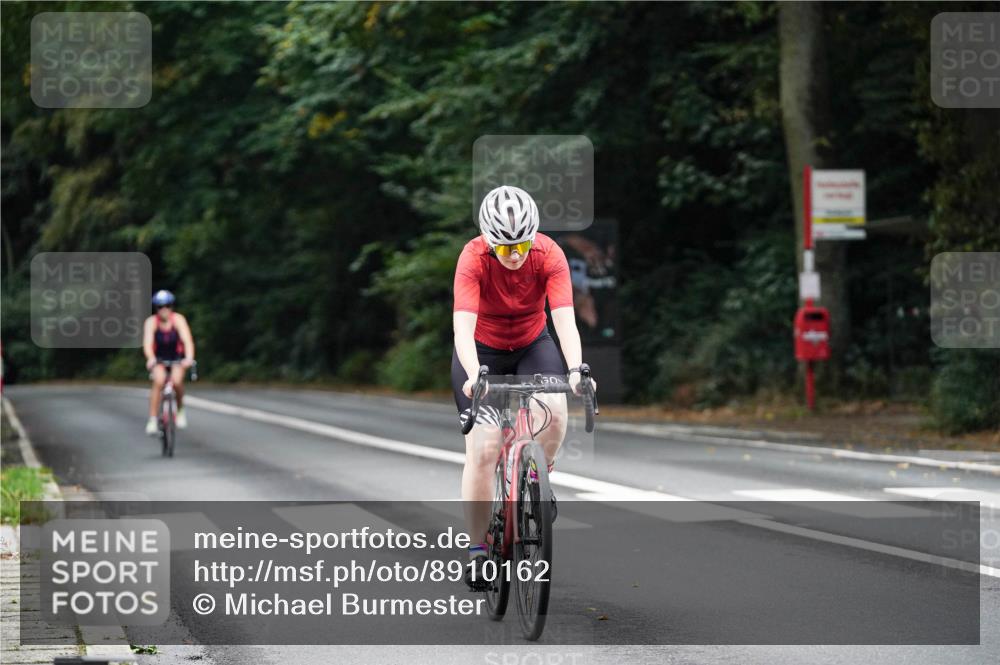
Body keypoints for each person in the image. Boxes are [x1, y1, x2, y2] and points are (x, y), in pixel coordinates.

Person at [453, 185, 595, 589]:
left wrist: (575, 369)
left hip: (534, 342)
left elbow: (564, 317)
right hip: (481, 349)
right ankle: (478, 550)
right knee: (483, 447)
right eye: (504, 248)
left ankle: (538, 477)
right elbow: (462, 326)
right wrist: (473, 371)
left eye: (521, 245)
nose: (514, 255)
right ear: (488, 241)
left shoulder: (548, 253)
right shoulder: (472, 257)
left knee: (555, 411)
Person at [143, 290, 195, 435]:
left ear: (171, 306)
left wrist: (188, 358)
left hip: (176, 358)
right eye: (160, 306)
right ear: (156, 308)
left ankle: (180, 410)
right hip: (159, 358)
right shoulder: (151, 322)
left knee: (177, 382)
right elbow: (148, 343)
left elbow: (187, 341)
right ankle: (152, 419)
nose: (164, 309)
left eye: (167, 305)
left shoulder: (178, 319)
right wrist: (151, 358)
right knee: (159, 381)